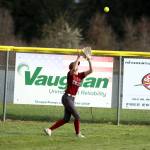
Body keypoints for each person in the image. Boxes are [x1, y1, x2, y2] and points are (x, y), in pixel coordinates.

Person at [44, 52, 93, 138]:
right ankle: (78, 134)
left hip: (72, 99)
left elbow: (91, 70)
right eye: (76, 65)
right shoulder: (70, 74)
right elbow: (74, 69)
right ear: (71, 68)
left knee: (66, 119)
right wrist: (78, 58)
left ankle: (49, 129)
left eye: (78, 65)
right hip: (67, 98)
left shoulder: (80, 76)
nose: (78, 66)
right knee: (77, 116)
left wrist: (89, 60)